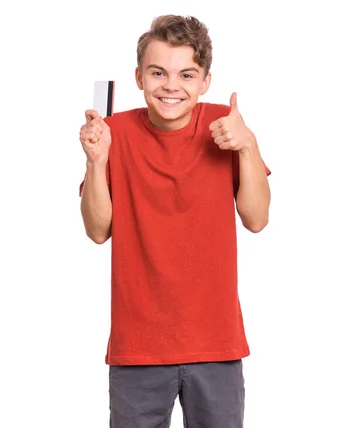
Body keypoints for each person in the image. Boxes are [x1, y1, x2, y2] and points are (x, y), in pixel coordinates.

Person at [78, 14, 271, 428]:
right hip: (138, 349)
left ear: (205, 81)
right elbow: (97, 231)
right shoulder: (114, 132)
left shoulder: (226, 126)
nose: (171, 86)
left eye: (187, 74)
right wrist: (97, 163)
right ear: (138, 77)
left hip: (216, 345)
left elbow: (256, 219)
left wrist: (248, 145)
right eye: (158, 72)